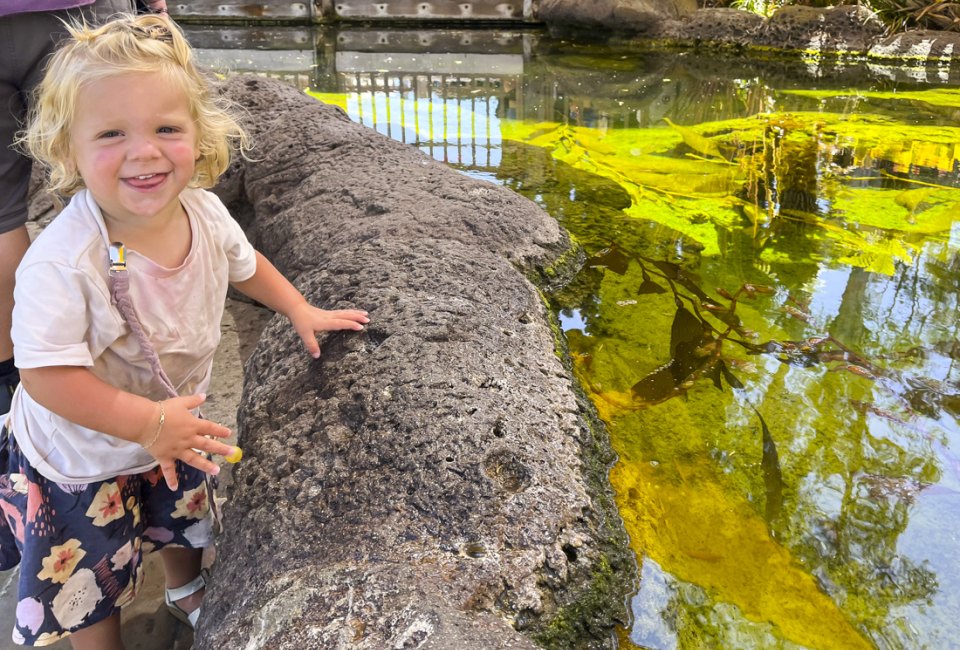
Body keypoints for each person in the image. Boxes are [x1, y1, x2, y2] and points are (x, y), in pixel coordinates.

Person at [0, 13, 369, 649]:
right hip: (84, 458)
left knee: (184, 517)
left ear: (200, 136)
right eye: (111, 133)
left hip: (176, 421)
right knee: (91, 579)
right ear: (67, 150)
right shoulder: (62, 262)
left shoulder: (203, 208)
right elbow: (45, 377)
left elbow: (246, 267)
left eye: (166, 128)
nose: (144, 151)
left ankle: (184, 589)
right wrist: (146, 424)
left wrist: (299, 308)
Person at [0, 1, 169, 419]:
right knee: (117, 198)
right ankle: (124, 364)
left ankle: (16, 382)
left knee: (1, 219)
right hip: (78, 14)